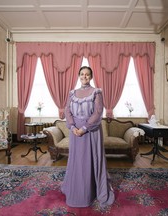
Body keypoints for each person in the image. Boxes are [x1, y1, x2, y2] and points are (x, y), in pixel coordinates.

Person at [61, 66, 115, 208]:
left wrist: (84, 128)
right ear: (79, 76)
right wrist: (73, 127)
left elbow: (98, 113)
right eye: (82, 74)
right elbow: (67, 110)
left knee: (91, 160)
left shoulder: (97, 92)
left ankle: (91, 191)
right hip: (75, 132)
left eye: (87, 75)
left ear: (91, 77)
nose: (84, 77)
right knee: (77, 160)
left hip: (91, 131)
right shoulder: (72, 93)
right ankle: (76, 190)